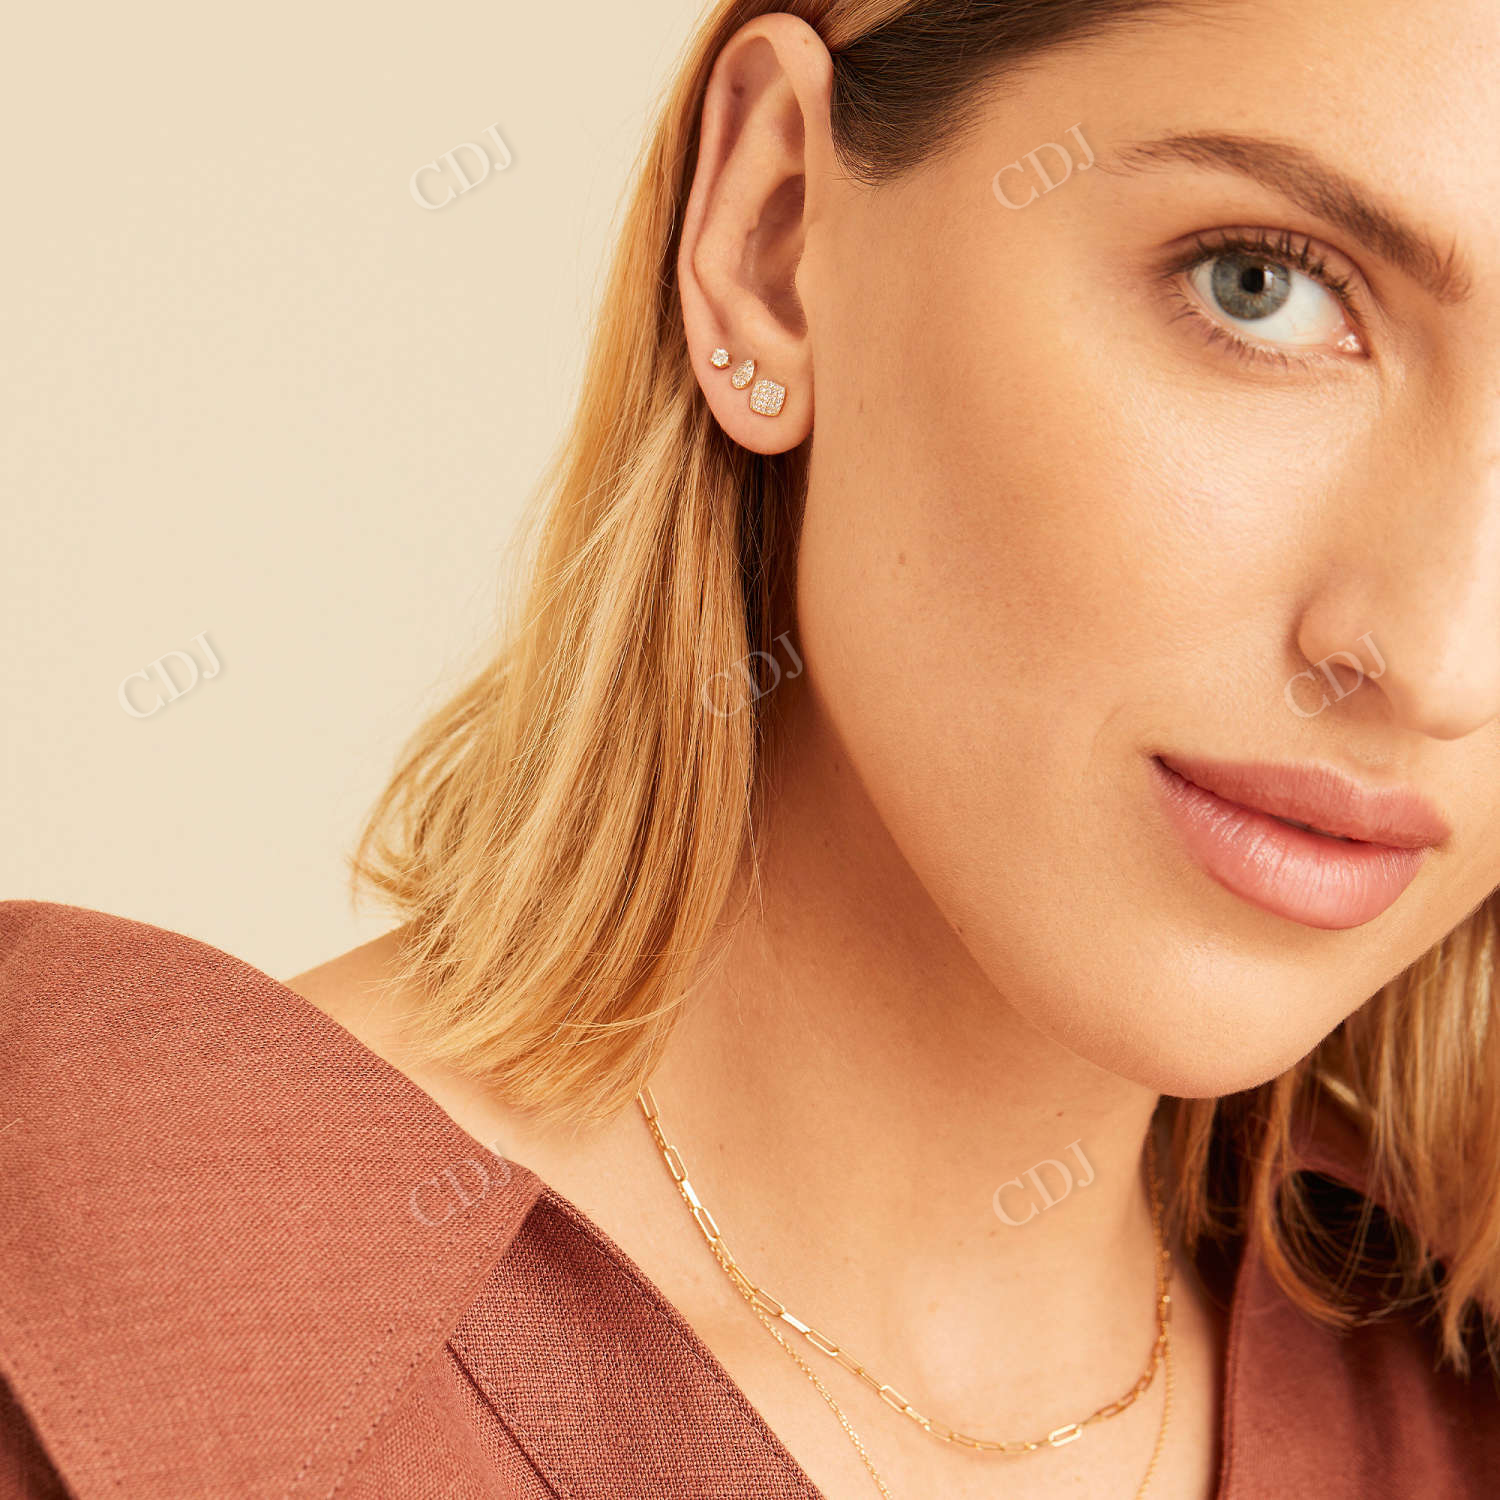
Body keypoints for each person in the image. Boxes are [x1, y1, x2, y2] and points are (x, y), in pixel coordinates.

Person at [5, 1, 1500, 1496]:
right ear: (774, 235)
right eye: (1260, 288)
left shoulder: (1447, 1400)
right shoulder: (117, 1307)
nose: (1444, 664)